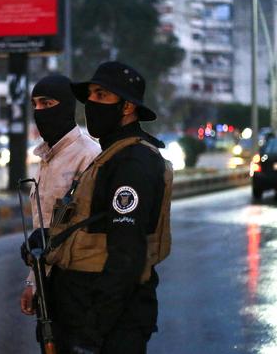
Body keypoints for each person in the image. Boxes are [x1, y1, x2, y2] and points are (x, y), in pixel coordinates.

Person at [44, 61, 173, 354]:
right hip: (84, 313)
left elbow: (126, 256)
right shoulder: (111, 155)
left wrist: (92, 334)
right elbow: (96, 224)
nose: (91, 103)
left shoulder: (133, 163)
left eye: (102, 96)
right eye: (90, 95)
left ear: (127, 107)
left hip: (110, 327)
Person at [19, 75, 101, 333]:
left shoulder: (89, 155)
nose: (39, 111)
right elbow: (43, 229)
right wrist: (33, 283)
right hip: (48, 285)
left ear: (66, 105)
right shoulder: (46, 158)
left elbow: (90, 227)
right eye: (35, 105)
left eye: (46, 103)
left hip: (80, 285)